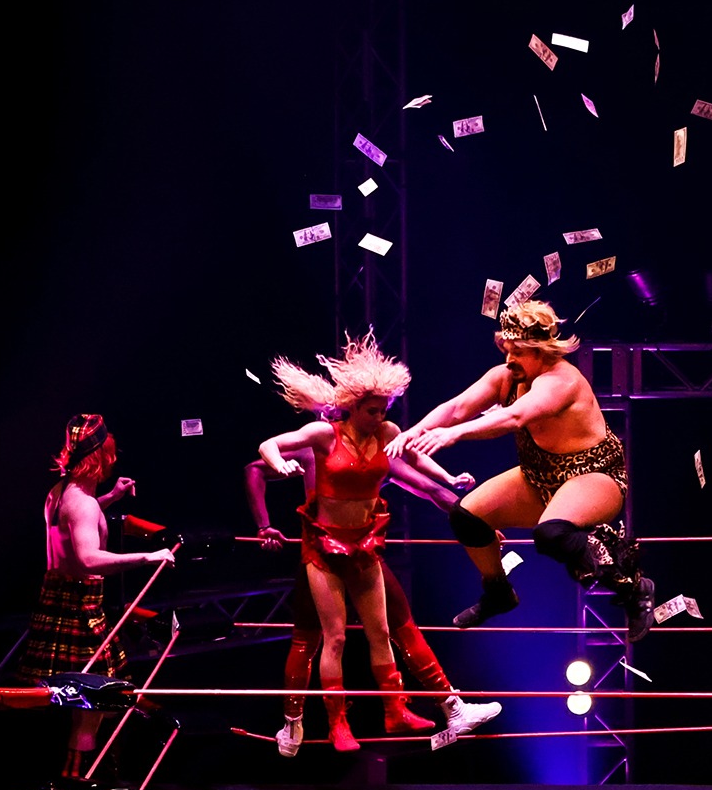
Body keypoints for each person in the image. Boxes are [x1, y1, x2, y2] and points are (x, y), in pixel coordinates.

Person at [387, 300, 655, 641]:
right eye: (507, 350)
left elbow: (514, 417)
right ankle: (498, 592)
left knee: (551, 534)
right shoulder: (506, 377)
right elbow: (456, 408)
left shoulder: (561, 381)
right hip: (538, 475)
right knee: (466, 516)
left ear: (542, 351)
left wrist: (454, 434)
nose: (510, 359)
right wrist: (412, 433)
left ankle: (634, 588)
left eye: (519, 352)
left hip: (593, 476)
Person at [258, 331, 461, 752]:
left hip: (366, 543)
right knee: (334, 637)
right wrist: (278, 463)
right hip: (324, 547)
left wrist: (449, 478)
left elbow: (415, 456)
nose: (379, 416)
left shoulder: (387, 431)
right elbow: (269, 444)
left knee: (381, 630)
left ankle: (395, 710)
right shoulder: (324, 434)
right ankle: (337, 724)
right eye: (372, 410)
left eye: (384, 410)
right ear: (352, 407)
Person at [244, 433, 501, 757]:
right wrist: (264, 525)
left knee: (380, 630)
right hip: (330, 557)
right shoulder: (323, 449)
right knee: (335, 637)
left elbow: (431, 488)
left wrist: (475, 525)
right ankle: (300, 723)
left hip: (354, 556)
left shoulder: (369, 453)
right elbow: (255, 468)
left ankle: (441, 708)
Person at [15, 414, 175, 777]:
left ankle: (82, 781)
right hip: (79, 605)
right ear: (101, 456)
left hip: (60, 600)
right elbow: (88, 557)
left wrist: (112, 497)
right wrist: (147, 557)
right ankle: (79, 786)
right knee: (92, 705)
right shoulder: (82, 504)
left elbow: (77, 523)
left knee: (94, 703)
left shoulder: (61, 492)